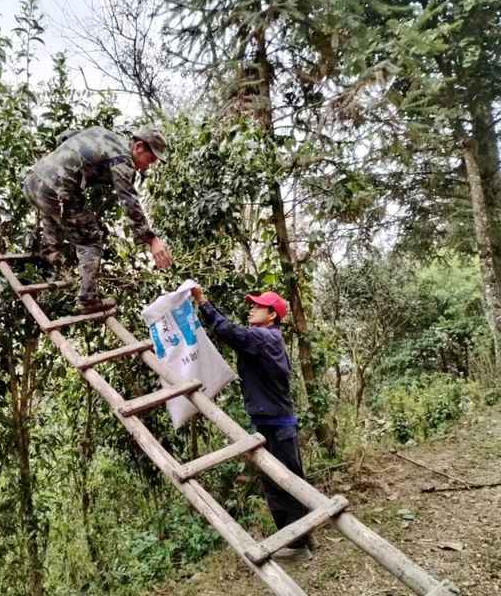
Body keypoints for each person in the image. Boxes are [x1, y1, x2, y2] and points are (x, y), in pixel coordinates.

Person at [190, 285, 314, 562]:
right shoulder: (265, 337)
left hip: (277, 424)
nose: (252, 308)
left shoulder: (265, 338)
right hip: (272, 421)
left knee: (284, 482)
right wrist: (206, 307)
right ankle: (299, 537)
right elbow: (234, 333)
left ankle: (298, 544)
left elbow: (230, 333)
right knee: (277, 481)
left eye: (258, 306)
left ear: (272, 315)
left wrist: (203, 301)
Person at [23, 125, 173, 314]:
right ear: (139, 147)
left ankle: (51, 255)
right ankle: (88, 299)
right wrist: (151, 239)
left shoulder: (104, 134)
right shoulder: (122, 158)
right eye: (149, 160)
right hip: (55, 190)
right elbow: (128, 199)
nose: (146, 166)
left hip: (33, 180)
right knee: (91, 242)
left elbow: (65, 136)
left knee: (55, 207)